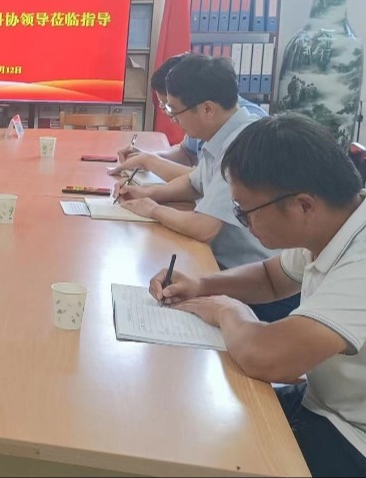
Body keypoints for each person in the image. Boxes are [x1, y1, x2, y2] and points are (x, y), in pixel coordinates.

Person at [148, 114, 366, 477]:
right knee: (194, 426)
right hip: (322, 402)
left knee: (208, 454)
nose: (243, 223)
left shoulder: (360, 261)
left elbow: (266, 357)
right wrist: (201, 284)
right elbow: (271, 277)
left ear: (303, 206)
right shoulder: (334, 222)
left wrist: (227, 310)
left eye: (245, 212)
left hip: (351, 438)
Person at [115, 54, 297, 321]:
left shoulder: (242, 144)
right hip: (231, 270)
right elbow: (193, 183)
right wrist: (146, 193)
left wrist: (152, 209)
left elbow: (204, 228)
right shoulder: (222, 135)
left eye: (174, 111)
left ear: (207, 109)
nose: (173, 119)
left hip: (260, 288)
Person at [112, 52, 268, 182]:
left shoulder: (246, 134)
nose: (172, 118)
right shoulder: (209, 117)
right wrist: (146, 157)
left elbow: (202, 180)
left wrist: (150, 161)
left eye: (171, 108)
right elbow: (187, 154)